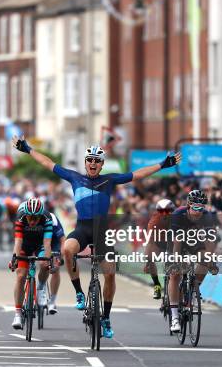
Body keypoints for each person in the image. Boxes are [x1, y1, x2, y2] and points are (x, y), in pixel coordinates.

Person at [12, 135, 181, 339]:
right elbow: (48, 163)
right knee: (67, 249)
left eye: (97, 160)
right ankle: (79, 293)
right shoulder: (75, 177)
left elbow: (137, 174)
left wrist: (163, 164)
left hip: (102, 232)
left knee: (110, 274)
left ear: (102, 165)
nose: (93, 163)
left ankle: (106, 318)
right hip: (82, 228)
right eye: (89, 160)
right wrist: (28, 148)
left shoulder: (109, 180)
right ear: (85, 163)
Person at [168, 190, 218, 333]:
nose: (198, 211)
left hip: (195, 242)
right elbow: (176, 241)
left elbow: (211, 240)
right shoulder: (178, 214)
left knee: (205, 261)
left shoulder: (207, 216)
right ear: (189, 205)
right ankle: (175, 317)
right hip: (177, 241)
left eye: (201, 207)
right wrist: (176, 261)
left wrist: (210, 260)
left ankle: (193, 290)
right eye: (196, 207)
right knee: (175, 274)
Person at [8, 198, 53, 329]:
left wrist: (48, 260)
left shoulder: (47, 217)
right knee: (21, 275)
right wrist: (14, 259)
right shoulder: (20, 216)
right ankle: (17, 313)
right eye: (30, 217)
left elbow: (47, 243)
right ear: (25, 214)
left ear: (41, 216)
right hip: (25, 245)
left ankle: (41, 287)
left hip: (40, 245)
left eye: (36, 218)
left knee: (45, 264)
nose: (32, 221)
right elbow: (18, 241)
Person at [144, 198, 176, 299]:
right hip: (158, 242)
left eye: (167, 211)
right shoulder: (154, 221)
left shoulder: (178, 217)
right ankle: (157, 285)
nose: (164, 214)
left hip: (173, 242)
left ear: (172, 211)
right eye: (161, 211)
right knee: (149, 256)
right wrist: (148, 262)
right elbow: (149, 241)